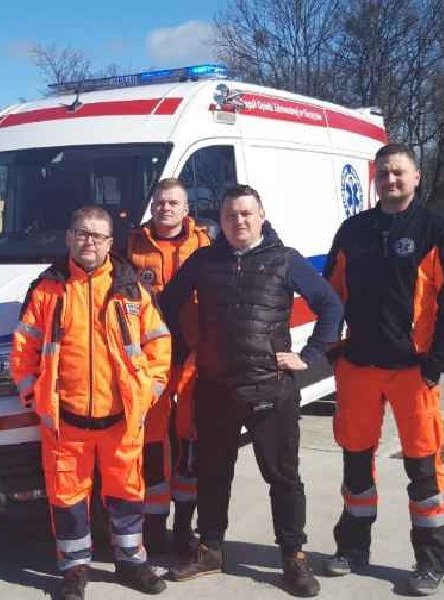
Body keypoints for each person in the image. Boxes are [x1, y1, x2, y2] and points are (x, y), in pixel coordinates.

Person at [160, 184, 343, 597]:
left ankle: (293, 556)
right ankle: (210, 549)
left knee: (283, 477)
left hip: (270, 388)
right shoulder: (204, 261)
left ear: (261, 216)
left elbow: (331, 305)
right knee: (212, 474)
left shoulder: (285, 259)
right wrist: (187, 348)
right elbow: (167, 303)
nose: (238, 221)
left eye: (245, 213)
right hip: (215, 388)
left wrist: (311, 355)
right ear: (221, 222)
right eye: (230, 215)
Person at [321, 144, 444, 596]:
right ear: (375, 178)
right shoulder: (354, 230)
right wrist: (332, 348)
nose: (390, 180)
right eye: (384, 173)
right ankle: (352, 547)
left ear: (416, 177)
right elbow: (331, 294)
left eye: (399, 172)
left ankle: (430, 562)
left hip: (413, 369)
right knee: (355, 462)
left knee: (423, 469)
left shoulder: (437, 229)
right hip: (359, 368)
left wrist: (439, 361)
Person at [11, 205, 172, 600]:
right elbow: (24, 350)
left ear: (110, 242)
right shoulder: (47, 289)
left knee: (127, 493)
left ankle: (131, 561)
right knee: (67, 498)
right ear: (69, 237)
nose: (89, 242)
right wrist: (34, 396)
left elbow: (159, 343)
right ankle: (74, 569)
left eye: (98, 236)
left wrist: (149, 392)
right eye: (82, 233)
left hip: (121, 418)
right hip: (65, 420)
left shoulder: (130, 288)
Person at [127, 178, 212, 556]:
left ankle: (184, 526)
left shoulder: (205, 244)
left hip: (192, 356)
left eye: (174, 203)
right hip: (149, 360)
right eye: (160, 202)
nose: (166, 208)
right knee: (153, 442)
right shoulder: (132, 244)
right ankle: (155, 525)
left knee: (189, 441)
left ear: (186, 208)